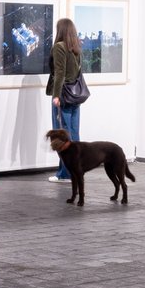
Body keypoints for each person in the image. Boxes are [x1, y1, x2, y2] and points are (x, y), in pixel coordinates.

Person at [45, 17, 83, 183]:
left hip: (63, 96)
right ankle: (74, 172)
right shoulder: (76, 47)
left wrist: (56, 95)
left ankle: (66, 174)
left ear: (60, 30)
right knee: (73, 134)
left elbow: (59, 73)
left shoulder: (59, 47)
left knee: (62, 136)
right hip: (75, 96)